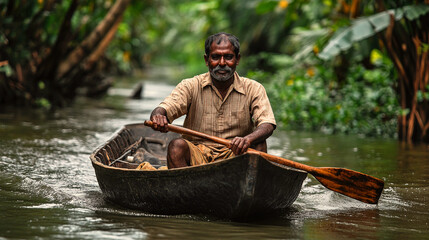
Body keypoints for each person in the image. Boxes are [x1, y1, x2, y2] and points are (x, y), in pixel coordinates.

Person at [149, 32, 276, 169]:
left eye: (228, 57)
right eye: (215, 57)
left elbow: (267, 124)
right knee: (176, 146)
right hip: (198, 155)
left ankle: (250, 188)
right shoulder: (191, 86)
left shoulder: (254, 88)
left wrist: (247, 139)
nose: (222, 63)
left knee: (259, 143)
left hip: (237, 154)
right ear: (206, 60)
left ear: (237, 59)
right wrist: (159, 115)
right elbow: (166, 107)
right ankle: (187, 188)